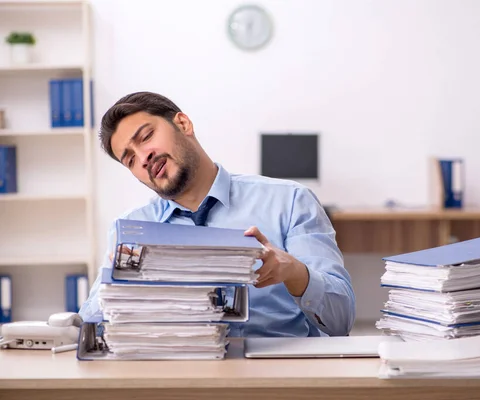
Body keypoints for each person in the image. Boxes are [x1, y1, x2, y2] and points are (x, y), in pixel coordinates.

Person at [79, 91, 356, 337]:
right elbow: (88, 327)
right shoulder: (131, 227)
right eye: (130, 160)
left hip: (275, 379)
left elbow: (340, 320)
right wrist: (116, 288)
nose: (143, 158)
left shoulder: (290, 200)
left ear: (183, 124)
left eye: (146, 136)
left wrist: (295, 271)